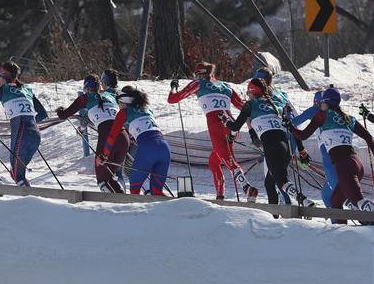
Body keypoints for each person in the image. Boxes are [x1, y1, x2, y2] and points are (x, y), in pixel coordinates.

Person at [168, 62, 254, 201]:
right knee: (214, 161)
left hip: (216, 125)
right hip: (232, 125)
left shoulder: (198, 83)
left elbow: (172, 99)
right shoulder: (226, 86)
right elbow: (244, 107)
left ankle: (247, 188)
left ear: (198, 73)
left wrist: (173, 87)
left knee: (229, 161)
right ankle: (220, 196)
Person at [286, 87, 374, 219]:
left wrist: (289, 125)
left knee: (358, 201)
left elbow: (302, 135)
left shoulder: (321, 114)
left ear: (324, 102)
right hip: (356, 164)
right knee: (334, 201)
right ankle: (339, 234)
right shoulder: (348, 118)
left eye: (321, 103)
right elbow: (368, 137)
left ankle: (365, 223)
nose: (319, 105)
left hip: (342, 165)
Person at [224, 78, 313, 207]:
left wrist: (225, 120)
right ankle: (274, 216)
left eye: (248, 92)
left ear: (253, 92)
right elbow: (291, 127)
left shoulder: (250, 105)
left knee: (281, 181)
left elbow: (235, 126)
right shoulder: (276, 103)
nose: (247, 95)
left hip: (271, 146)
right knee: (269, 183)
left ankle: (305, 201)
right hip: (285, 146)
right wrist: (301, 149)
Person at [0, 61, 47, 187]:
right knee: (17, 174)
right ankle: (29, 201)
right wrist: (30, 123)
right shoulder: (27, 89)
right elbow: (42, 114)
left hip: (21, 133)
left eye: (0, 75)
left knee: (17, 174)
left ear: (4, 76)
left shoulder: (1, 90)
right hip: (35, 134)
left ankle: (29, 203)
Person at [56, 72, 127, 193]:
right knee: (111, 177)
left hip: (107, 138)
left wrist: (60, 110)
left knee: (103, 181)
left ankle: (116, 208)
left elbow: (64, 115)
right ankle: (125, 203)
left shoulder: (85, 98)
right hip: (123, 137)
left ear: (86, 88)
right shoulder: (110, 95)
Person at [102, 86, 171, 195]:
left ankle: (137, 212)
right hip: (165, 148)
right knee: (157, 191)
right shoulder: (147, 109)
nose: (118, 106)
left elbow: (112, 136)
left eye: (118, 102)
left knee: (134, 189)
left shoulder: (123, 112)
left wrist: (104, 154)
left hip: (148, 148)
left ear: (123, 101)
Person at [293, 90, 338, 208]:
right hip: (344, 150)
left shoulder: (315, 110)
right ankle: (337, 223)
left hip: (327, 150)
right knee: (326, 194)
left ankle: (363, 215)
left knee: (337, 190)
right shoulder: (337, 113)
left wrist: (287, 117)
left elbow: (295, 122)